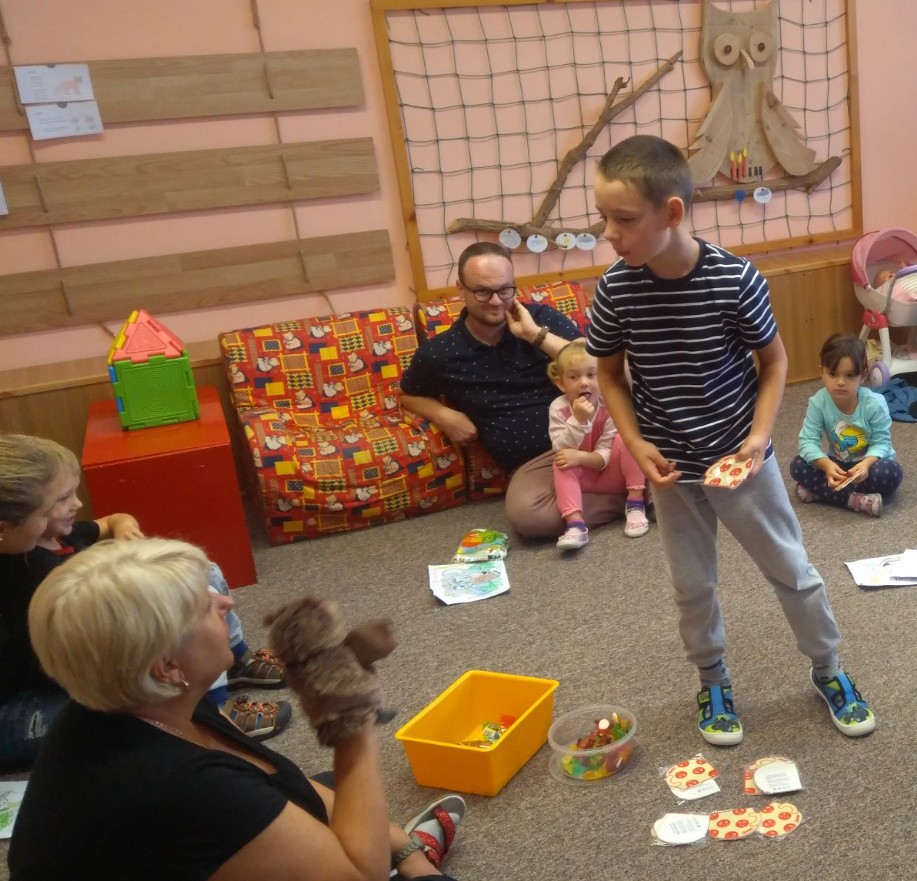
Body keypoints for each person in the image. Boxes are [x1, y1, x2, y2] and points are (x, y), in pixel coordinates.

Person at [587, 134, 875, 745]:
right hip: (671, 470)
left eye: (624, 219)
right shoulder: (614, 289)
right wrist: (635, 444)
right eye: (603, 217)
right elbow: (609, 376)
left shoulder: (734, 278)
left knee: (791, 569)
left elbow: (774, 363)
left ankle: (828, 667)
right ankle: (712, 679)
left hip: (742, 459)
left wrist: (759, 435)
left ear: (671, 212)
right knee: (693, 586)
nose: (609, 233)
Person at [9, 537, 465, 881]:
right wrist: (352, 723)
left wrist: (401, 845)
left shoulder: (143, 699)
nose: (225, 601)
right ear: (167, 665)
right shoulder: (175, 785)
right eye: (205, 606)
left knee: (322, 790)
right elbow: (357, 877)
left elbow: (275, 779)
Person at [0, 434, 288, 770]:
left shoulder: (49, 536)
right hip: (27, 697)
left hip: (52, 665)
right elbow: (98, 651)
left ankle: (234, 661)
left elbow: (113, 521)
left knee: (197, 580)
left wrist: (125, 533)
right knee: (138, 694)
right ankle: (212, 711)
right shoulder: (29, 573)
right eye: (61, 500)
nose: (77, 504)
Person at [400, 241, 626, 537]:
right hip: (537, 462)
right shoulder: (440, 353)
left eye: (505, 290)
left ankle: (627, 491)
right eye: (483, 291)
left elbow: (594, 362)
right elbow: (408, 394)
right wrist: (444, 415)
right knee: (528, 517)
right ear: (461, 289)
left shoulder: (541, 319)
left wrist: (535, 335)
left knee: (633, 375)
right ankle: (630, 498)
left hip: (594, 435)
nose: (496, 301)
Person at [547, 340, 648, 550]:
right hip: (583, 477)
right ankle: (575, 525)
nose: (584, 383)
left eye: (591, 375)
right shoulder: (558, 408)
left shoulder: (608, 405)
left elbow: (606, 450)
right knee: (560, 461)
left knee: (627, 438)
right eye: (574, 377)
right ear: (561, 384)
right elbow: (560, 447)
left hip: (610, 470)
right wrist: (578, 420)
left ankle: (635, 503)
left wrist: (582, 457)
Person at [789, 333, 903, 517]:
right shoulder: (818, 402)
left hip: (869, 465)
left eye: (850, 375)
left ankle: (822, 492)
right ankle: (855, 500)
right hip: (837, 464)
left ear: (863, 375)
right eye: (833, 374)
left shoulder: (874, 404)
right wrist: (826, 465)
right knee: (798, 465)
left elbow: (882, 443)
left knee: (892, 473)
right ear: (822, 372)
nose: (840, 382)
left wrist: (865, 464)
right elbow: (807, 441)